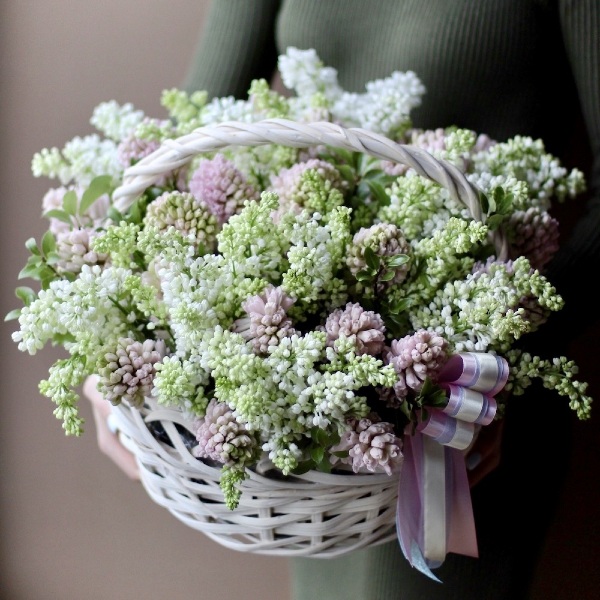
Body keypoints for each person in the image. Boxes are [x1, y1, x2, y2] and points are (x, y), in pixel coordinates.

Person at [85, 1, 600, 598]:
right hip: (305, 459)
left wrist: (488, 368)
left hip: (460, 426)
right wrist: (110, 342)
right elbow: (184, 141)